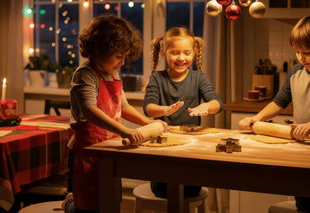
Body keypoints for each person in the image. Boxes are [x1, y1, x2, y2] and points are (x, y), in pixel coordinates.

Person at [239, 15, 310, 213]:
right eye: (297, 51)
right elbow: (279, 102)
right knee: (304, 204)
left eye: (307, 52)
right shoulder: (295, 72)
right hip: (303, 147)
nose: (301, 57)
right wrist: (256, 119)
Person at [69, 14, 166, 213]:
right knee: (88, 203)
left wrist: (145, 122)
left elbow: (123, 106)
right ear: (99, 48)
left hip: (108, 148)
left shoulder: (112, 72)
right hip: (87, 150)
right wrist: (125, 131)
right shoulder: (85, 74)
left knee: (110, 199)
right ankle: (70, 203)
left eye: (124, 56)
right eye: (118, 56)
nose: (122, 62)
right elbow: (90, 110)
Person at [144, 27, 223, 198]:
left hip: (190, 149)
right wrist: (165, 109)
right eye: (175, 53)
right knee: (163, 190)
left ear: (194, 53)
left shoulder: (198, 78)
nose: (181, 58)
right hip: (162, 149)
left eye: (187, 53)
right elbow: (149, 107)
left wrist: (206, 107)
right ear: (164, 53)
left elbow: (217, 103)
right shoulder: (157, 78)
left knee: (190, 191)